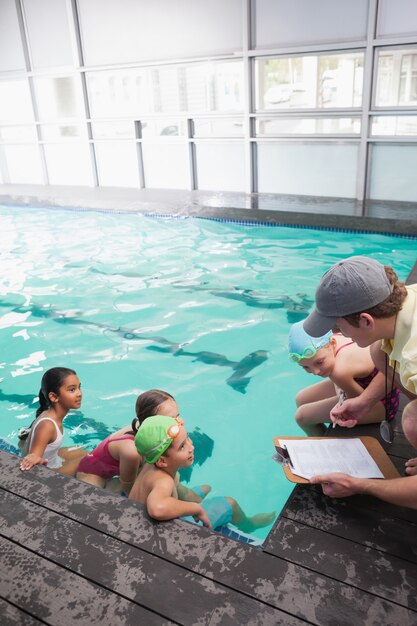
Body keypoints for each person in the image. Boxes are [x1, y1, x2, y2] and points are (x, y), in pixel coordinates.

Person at [302, 255, 417, 507]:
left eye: (338, 327)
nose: (335, 334)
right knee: (379, 351)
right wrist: (365, 400)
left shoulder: (414, 358)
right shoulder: (408, 299)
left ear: (366, 320)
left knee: (412, 419)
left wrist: (359, 485)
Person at [129, 414, 276, 532]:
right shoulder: (163, 481)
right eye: (181, 447)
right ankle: (248, 525)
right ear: (162, 461)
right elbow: (157, 508)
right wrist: (196, 509)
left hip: (139, 525)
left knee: (206, 488)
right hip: (170, 533)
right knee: (229, 503)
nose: (190, 447)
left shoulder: (150, 464)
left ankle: (197, 501)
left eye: (187, 438)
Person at [76, 388, 210, 500]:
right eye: (171, 419)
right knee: (95, 501)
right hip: (93, 472)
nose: (178, 422)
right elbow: (129, 487)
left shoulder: (151, 435)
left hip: (122, 467)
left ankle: (185, 496)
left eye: (178, 416)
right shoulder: (131, 451)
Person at [288, 321, 400, 436]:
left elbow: (359, 403)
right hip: (373, 385)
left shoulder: (339, 372)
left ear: (332, 343)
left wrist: (339, 386)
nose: (315, 372)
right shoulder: (339, 335)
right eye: (306, 367)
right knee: (301, 399)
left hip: (382, 407)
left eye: (319, 362)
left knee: (301, 416)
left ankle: (325, 447)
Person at [19, 367, 87, 474]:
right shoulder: (48, 425)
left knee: (85, 453)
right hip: (51, 473)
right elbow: (33, 457)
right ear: (54, 397)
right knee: (90, 460)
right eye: (72, 389)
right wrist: (34, 458)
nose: (79, 393)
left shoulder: (49, 414)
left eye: (79, 387)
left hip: (54, 459)